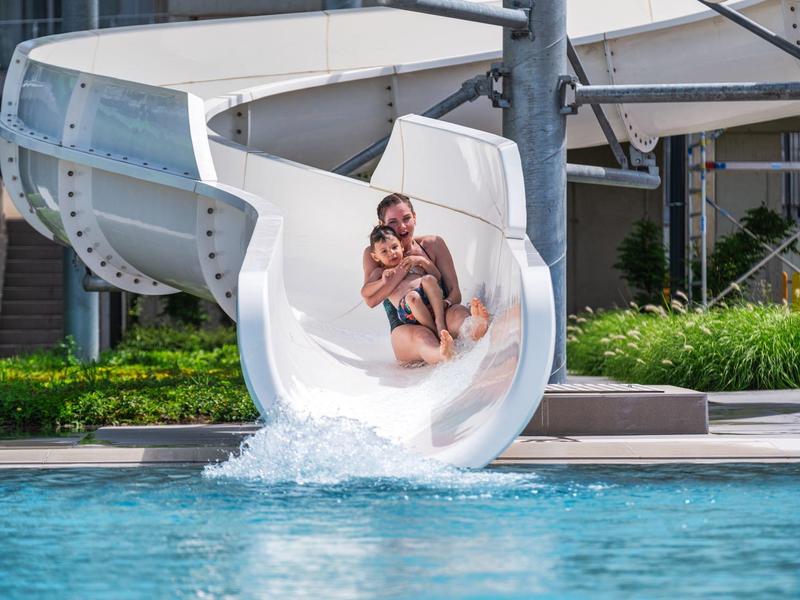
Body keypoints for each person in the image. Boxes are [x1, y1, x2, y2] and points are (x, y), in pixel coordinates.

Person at [361, 192, 490, 365]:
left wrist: (444, 304)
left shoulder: (433, 244)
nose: (402, 227)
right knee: (422, 337)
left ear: (414, 217)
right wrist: (400, 270)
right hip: (405, 327)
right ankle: (442, 353)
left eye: (406, 218)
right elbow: (370, 300)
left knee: (458, 313)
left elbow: (454, 292)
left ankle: (475, 329)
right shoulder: (375, 255)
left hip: (439, 314)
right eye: (393, 222)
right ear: (382, 225)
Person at [365, 225, 449, 342]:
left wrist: (421, 261)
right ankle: (434, 332)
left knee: (429, 279)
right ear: (375, 256)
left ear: (401, 246)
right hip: (407, 308)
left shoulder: (410, 260)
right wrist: (382, 282)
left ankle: (440, 322)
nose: (392, 253)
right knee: (412, 297)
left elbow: (437, 276)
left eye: (394, 247)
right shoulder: (379, 272)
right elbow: (365, 292)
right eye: (384, 251)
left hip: (426, 295)